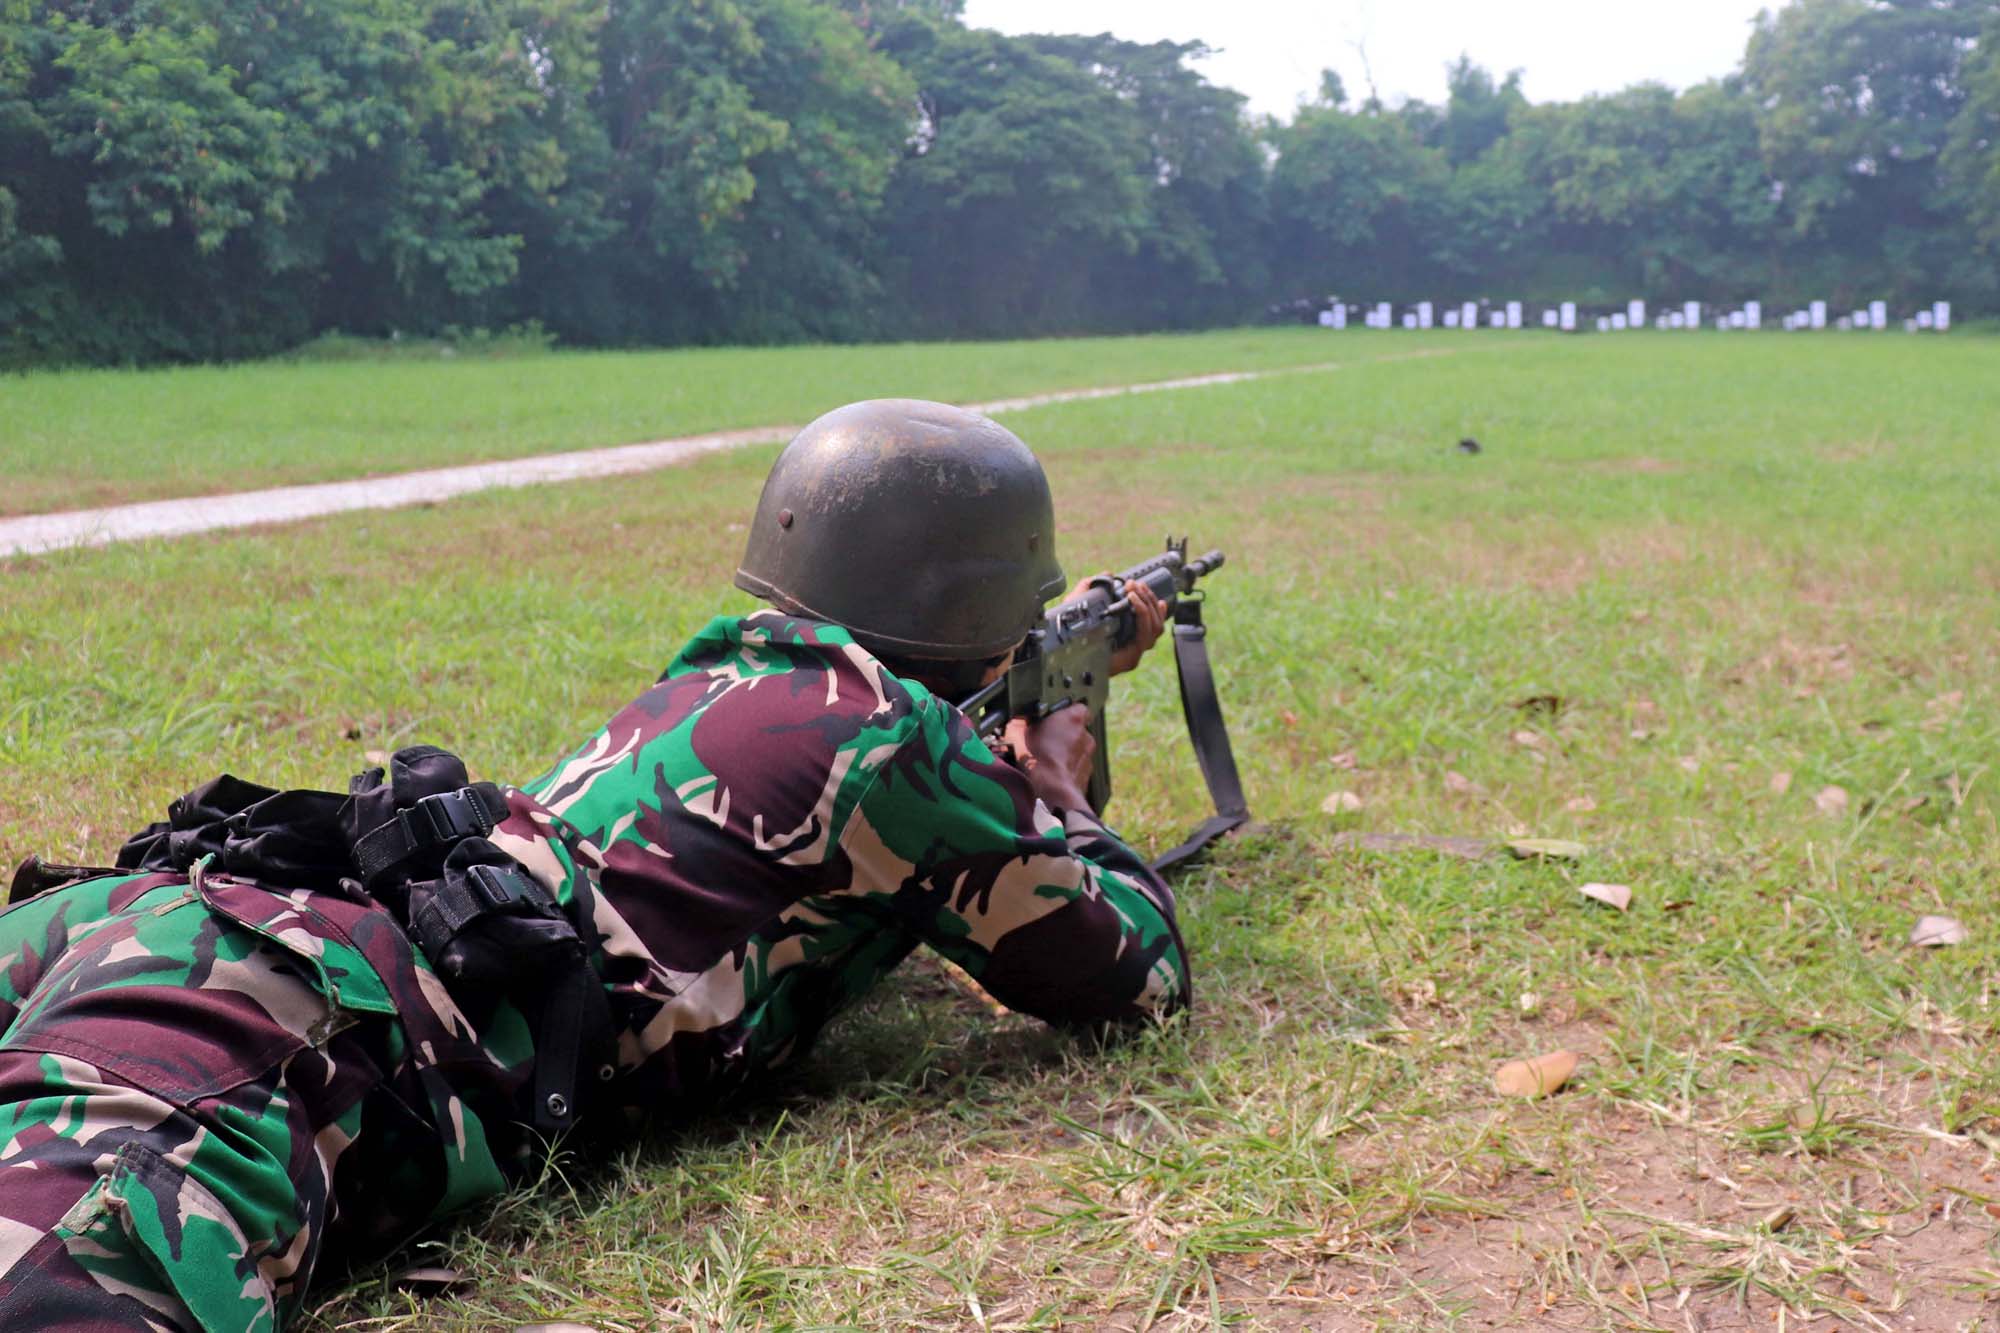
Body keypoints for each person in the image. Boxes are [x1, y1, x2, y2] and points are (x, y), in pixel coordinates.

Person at [0, 399, 1189, 1331]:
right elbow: (1133, 979)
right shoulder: (903, 745)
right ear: (985, 608)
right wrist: (1055, 785)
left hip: (175, 919)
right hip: (288, 1008)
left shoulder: (731, 672)